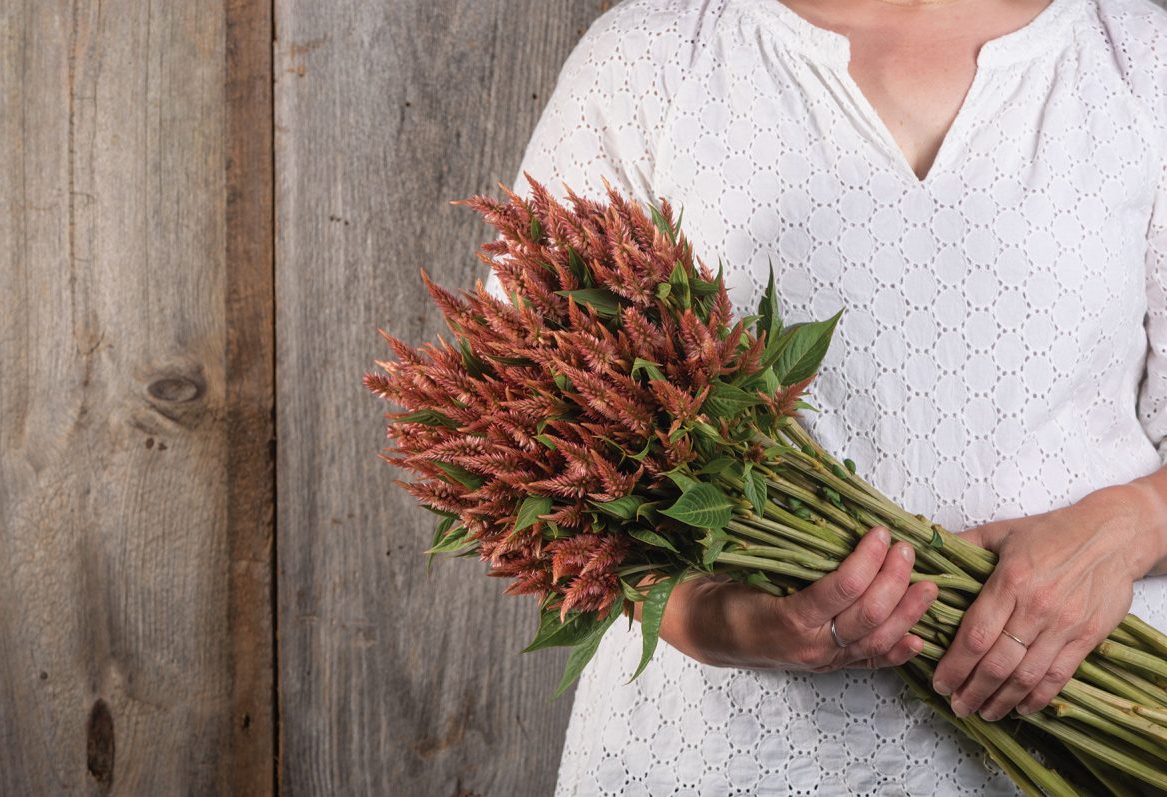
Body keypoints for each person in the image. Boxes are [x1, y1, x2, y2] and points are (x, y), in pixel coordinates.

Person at [484, 0, 1167, 793]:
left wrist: (1124, 529)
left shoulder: (1138, 60)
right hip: (725, 756)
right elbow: (529, 440)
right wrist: (719, 622)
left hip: (1085, 745)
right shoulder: (656, 56)